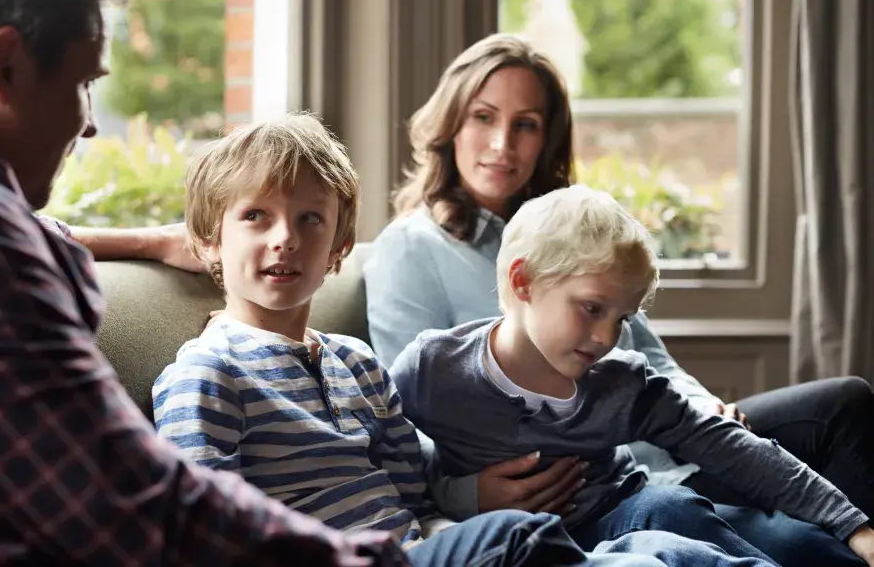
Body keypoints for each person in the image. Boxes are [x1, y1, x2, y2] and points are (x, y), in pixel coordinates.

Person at [0, 0, 412, 565]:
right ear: (6, 67)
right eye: (85, 83)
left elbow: (38, 234)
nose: (87, 126)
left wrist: (144, 240)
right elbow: (131, 508)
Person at [359, 32, 874, 567]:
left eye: (526, 125)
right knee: (727, 529)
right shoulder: (413, 256)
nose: (503, 144)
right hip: (575, 495)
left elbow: (647, 355)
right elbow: (404, 428)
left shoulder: (579, 232)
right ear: (520, 283)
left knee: (841, 406)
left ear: (548, 139)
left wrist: (698, 404)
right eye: (484, 117)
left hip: (654, 452)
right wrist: (467, 495)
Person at [150, 112, 679, 567]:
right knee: (515, 534)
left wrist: (461, 509)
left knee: (657, 542)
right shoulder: (208, 373)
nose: (285, 238)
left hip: (418, 548)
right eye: (255, 217)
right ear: (209, 241)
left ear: (338, 247)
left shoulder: (356, 365)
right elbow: (201, 535)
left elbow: (415, 491)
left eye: (310, 219)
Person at [388, 184, 874, 566]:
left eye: (622, 318)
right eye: (592, 308)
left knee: (771, 534)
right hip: (532, 544)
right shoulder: (432, 369)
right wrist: (466, 495)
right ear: (523, 282)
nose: (606, 337)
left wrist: (854, 526)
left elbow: (734, 449)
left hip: (629, 509)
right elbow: (388, 463)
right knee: (674, 513)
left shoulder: (621, 382)